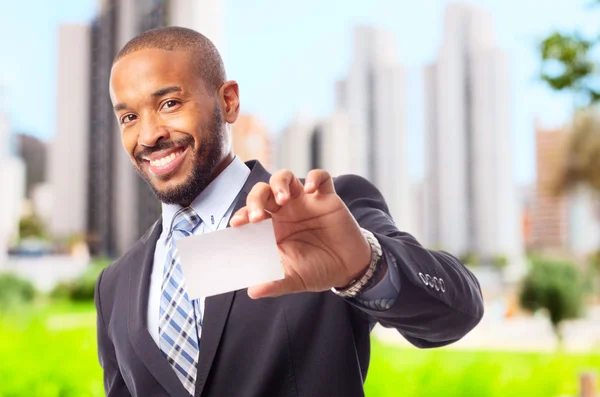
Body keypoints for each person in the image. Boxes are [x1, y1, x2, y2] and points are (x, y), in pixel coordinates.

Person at [95, 26, 484, 397]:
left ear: (228, 101)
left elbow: (457, 312)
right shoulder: (116, 283)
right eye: (129, 117)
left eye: (169, 103)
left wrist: (364, 266)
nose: (148, 135)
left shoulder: (317, 214)